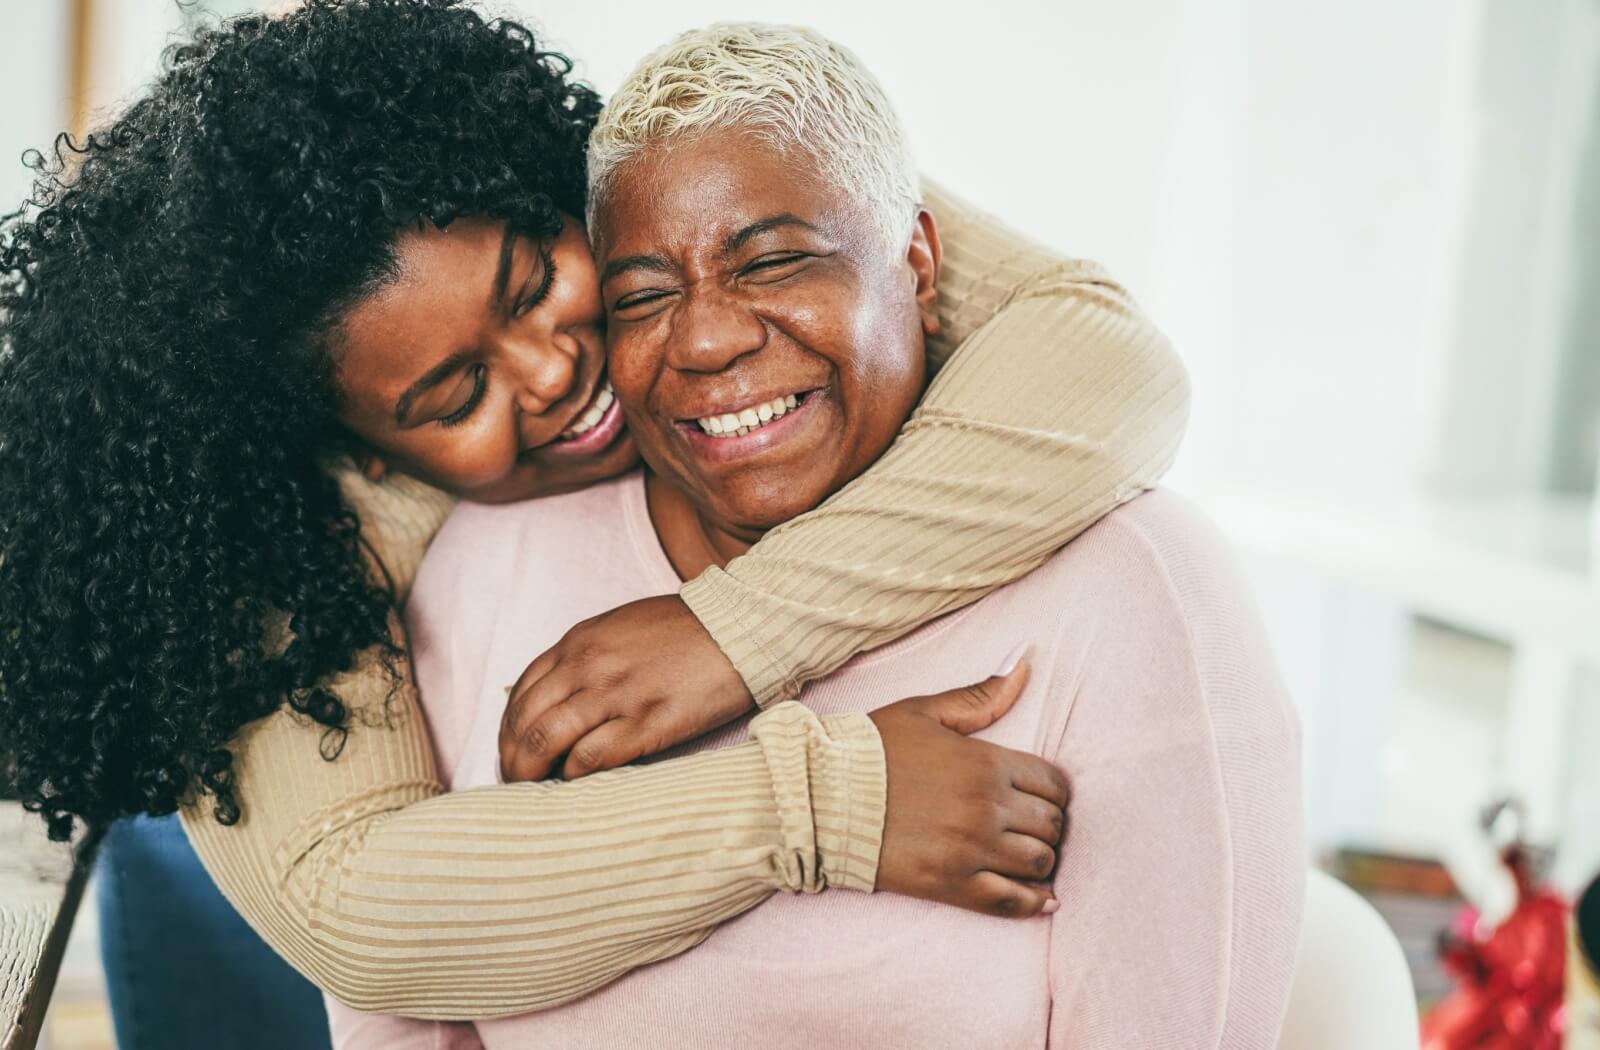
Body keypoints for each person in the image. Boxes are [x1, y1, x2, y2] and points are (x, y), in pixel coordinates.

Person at [0, 0, 1188, 1025]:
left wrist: (736, 630)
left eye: (535, 283)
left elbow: (1106, 355)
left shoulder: (652, 172)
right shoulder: (279, 528)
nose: (552, 372)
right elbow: (352, 905)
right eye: (456, 393)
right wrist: (819, 802)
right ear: (356, 451)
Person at [329, 23, 1303, 1048]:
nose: (706, 337)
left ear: (918, 263)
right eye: (645, 297)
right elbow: (405, 1006)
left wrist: (734, 633)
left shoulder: (1136, 591)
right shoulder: (485, 572)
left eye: (776, 261)